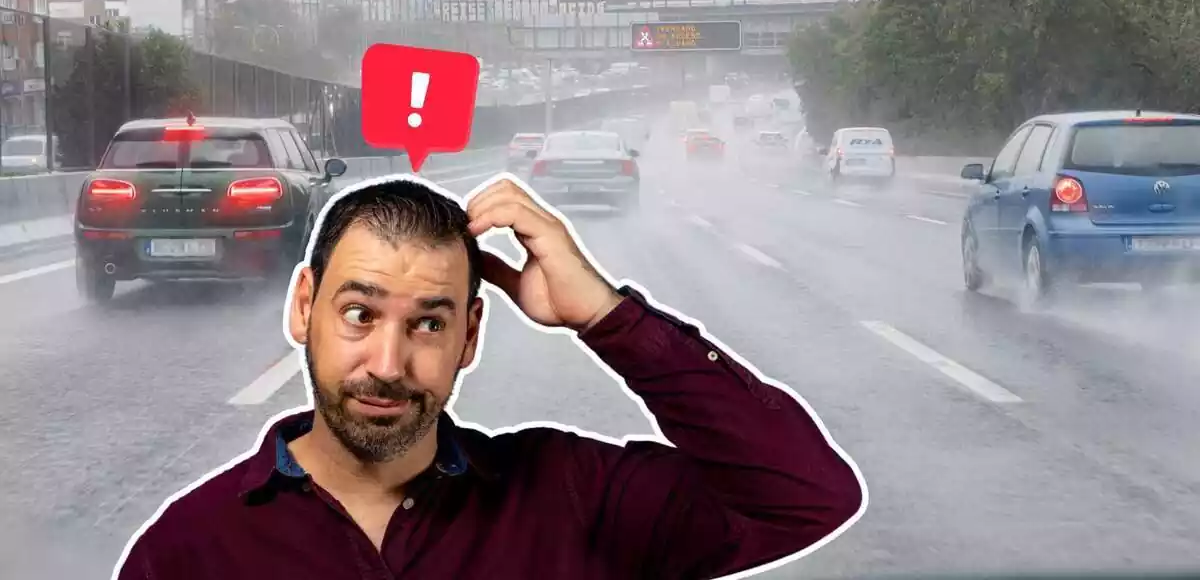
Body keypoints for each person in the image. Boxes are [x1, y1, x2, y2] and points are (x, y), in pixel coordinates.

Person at [114, 176, 865, 580]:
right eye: (358, 315)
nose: (388, 364)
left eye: (429, 324)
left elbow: (804, 496)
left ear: (471, 335)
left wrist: (606, 316)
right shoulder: (186, 553)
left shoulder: (573, 499)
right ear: (304, 306)